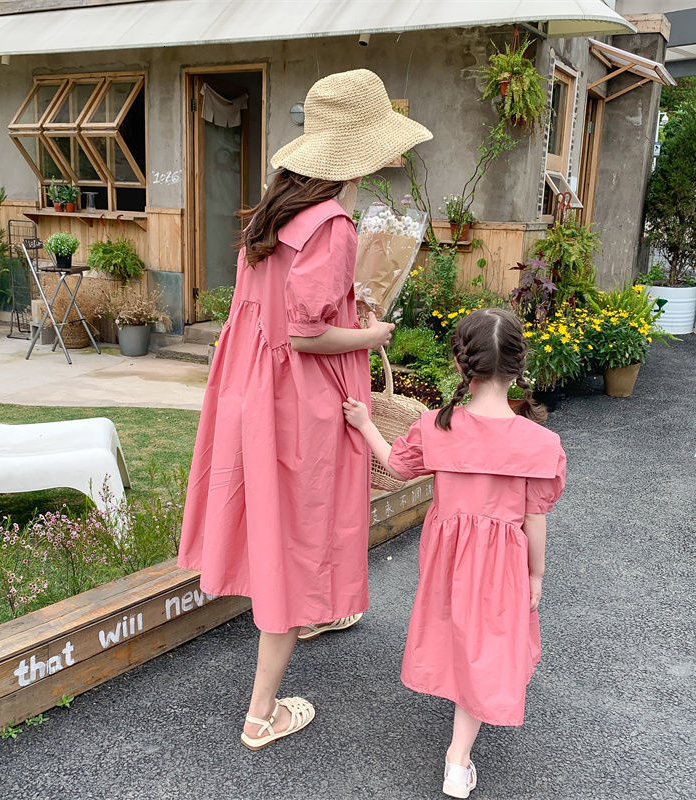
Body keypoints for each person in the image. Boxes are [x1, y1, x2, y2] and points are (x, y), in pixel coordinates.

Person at [177, 68, 432, 750]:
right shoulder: (336, 225)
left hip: (256, 393)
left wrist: (351, 305)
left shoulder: (278, 213)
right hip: (301, 401)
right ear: (362, 154)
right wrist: (373, 334)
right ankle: (262, 714)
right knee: (301, 522)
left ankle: (310, 612)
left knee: (278, 513)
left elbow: (289, 310)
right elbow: (304, 332)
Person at [343, 308, 566, 798]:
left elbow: (397, 467)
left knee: (458, 630)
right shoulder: (538, 442)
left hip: (447, 558)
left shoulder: (435, 426)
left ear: (462, 365)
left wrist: (363, 423)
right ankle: (457, 758)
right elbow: (534, 518)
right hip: (502, 562)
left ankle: (458, 749)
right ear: (518, 363)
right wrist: (536, 576)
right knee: (486, 645)